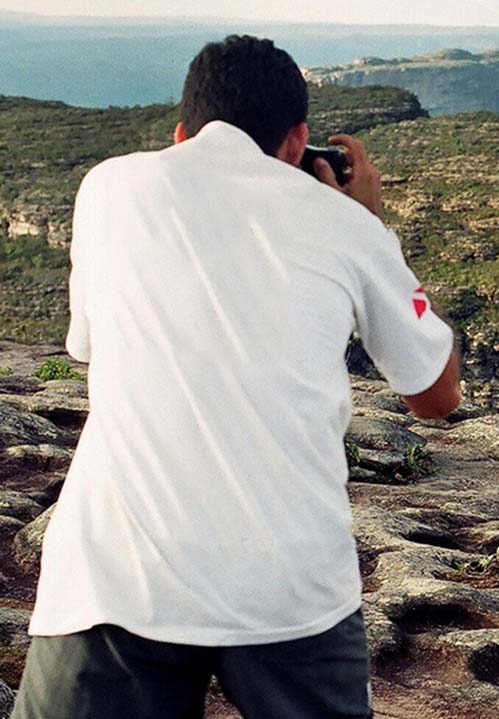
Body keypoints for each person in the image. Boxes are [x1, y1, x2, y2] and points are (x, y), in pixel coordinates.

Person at [14, 35, 461, 719]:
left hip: (116, 577)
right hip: (289, 588)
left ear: (181, 131)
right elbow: (436, 393)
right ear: (298, 141)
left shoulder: (107, 187)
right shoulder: (346, 223)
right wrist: (370, 226)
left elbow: (89, 346)